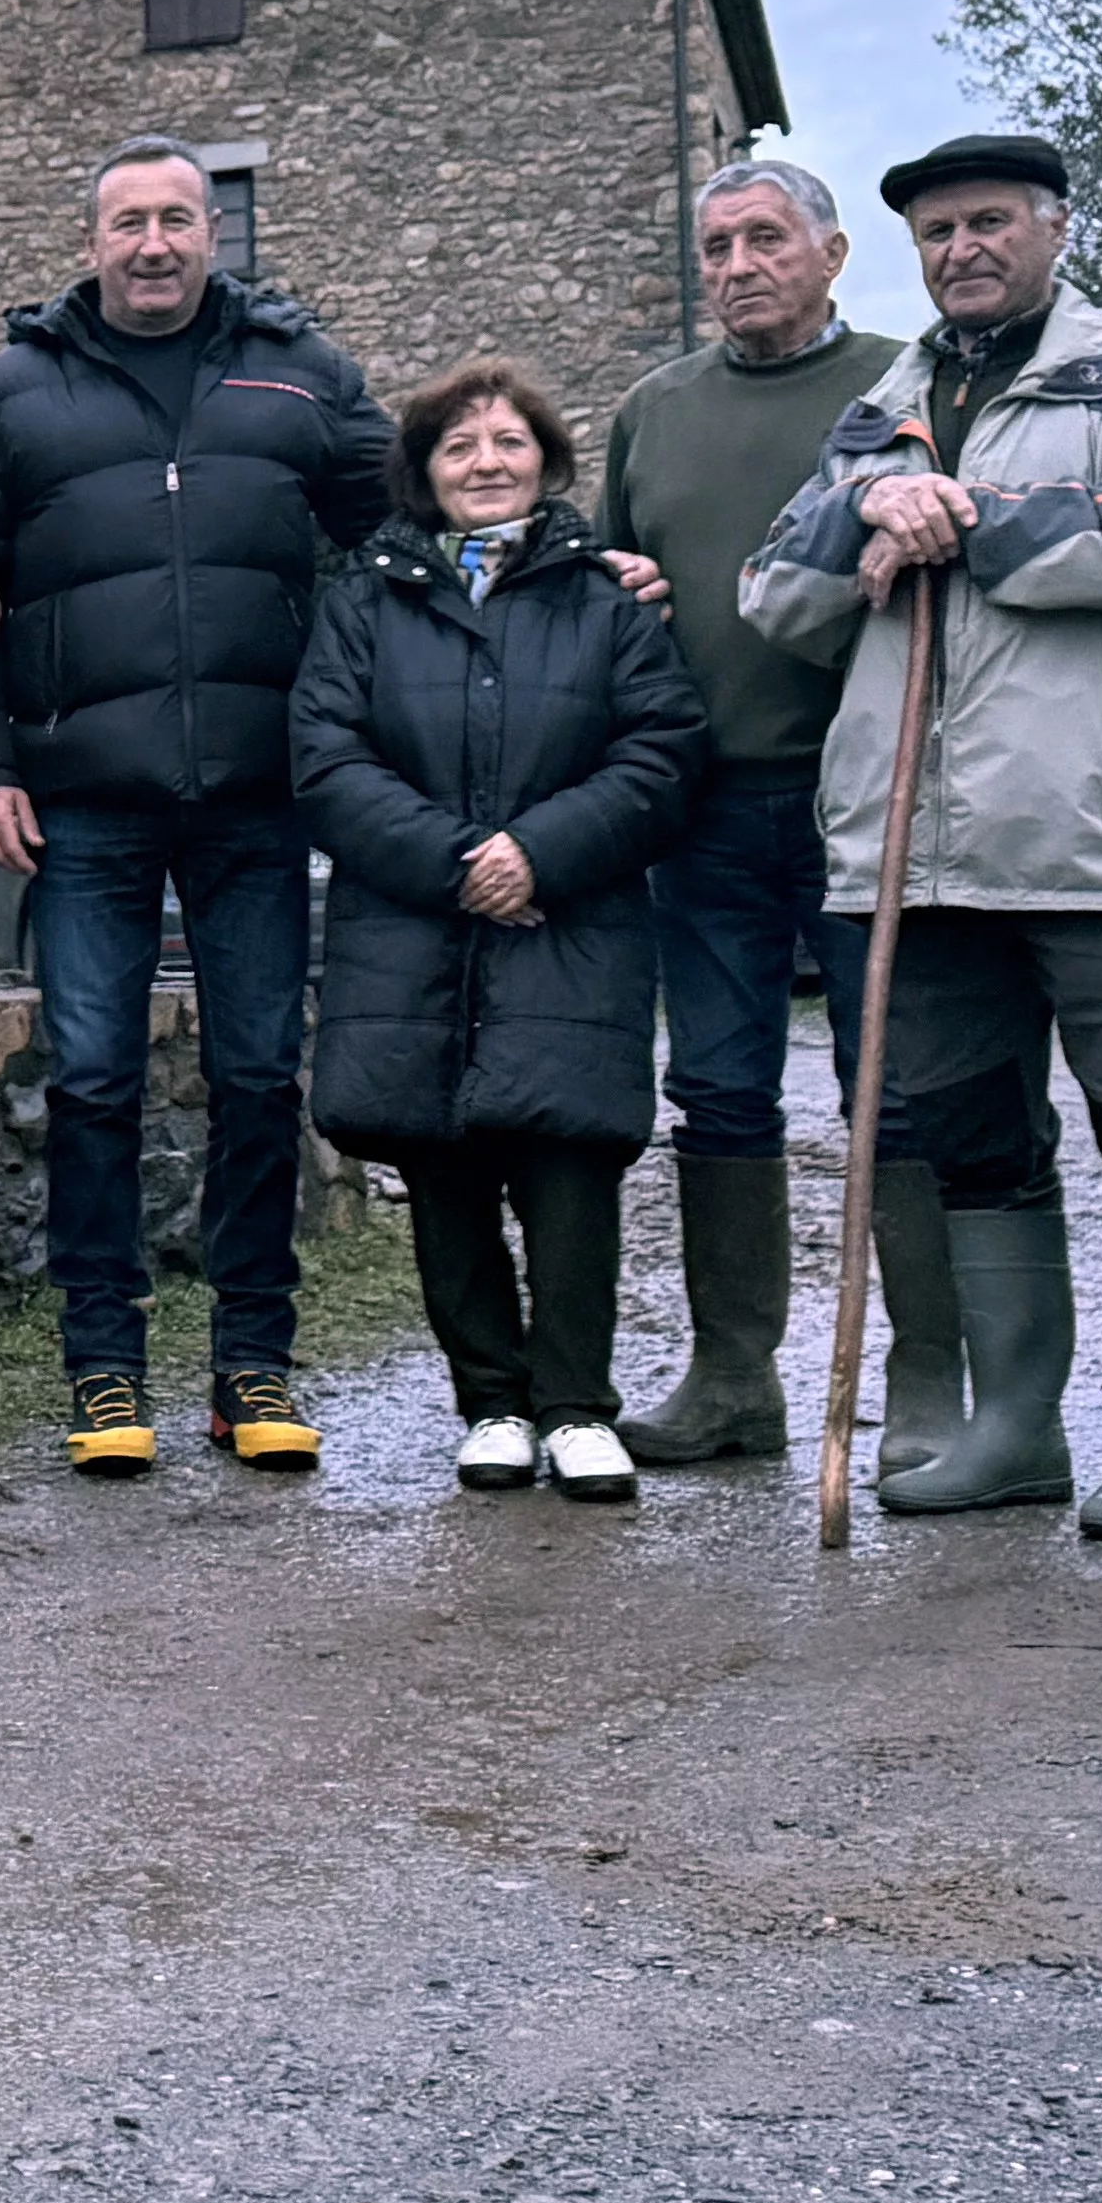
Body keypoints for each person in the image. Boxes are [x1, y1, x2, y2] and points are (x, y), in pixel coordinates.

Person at [742, 133, 1102, 1540]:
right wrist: (864, 503)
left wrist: (952, 512)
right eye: (938, 231)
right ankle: (1016, 1429)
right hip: (923, 854)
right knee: (972, 1141)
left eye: (989, 222)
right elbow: (772, 593)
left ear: (1053, 228)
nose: (962, 248)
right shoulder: (886, 401)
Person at [0, 138, 391, 1477]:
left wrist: (569, 565)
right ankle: (103, 1363)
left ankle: (255, 1357)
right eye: (128, 220)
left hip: (261, 793)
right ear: (91, 239)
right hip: (80, 802)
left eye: (177, 219)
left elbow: (405, 528)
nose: (152, 243)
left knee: (259, 1074)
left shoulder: (299, 373)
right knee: (91, 1078)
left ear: (213, 232)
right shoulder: (12, 396)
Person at [292, 362, 709, 1497]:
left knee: (568, 1159)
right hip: (414, 929)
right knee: (444, 1166)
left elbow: (662, 751)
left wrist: (539, 851)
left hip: (567, 923)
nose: (485, 461)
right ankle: (489, 1401)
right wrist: (456, 859)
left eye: (508, 441)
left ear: (546, 459)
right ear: (423, 471)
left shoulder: (608, 600)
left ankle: (575, 1404)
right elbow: (326, 754)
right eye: (459, 444)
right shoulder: (365, 600)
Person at [594, 161, 941, 1475]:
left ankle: (924, 1382)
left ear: (832, 251)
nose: (738, 264)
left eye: (765, 239)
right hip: (708, 802)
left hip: (874, 795)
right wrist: (619, 586)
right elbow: (613, 583)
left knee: (893, 1090)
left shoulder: (908, 384)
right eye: (717, 244)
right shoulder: (655, 409)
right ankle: (733, 1376)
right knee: (721, 1085)